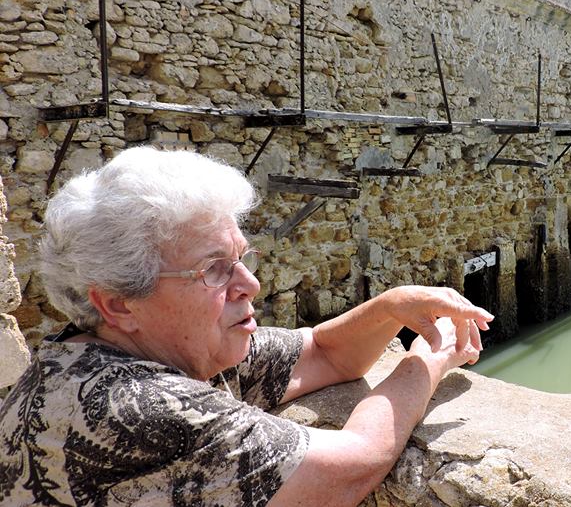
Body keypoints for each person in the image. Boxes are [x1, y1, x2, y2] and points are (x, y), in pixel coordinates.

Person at [0, 146, 493, 506]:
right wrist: (430, 356)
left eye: (241, 257)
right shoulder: (134, 405)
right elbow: (352, 464)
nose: (251, 283)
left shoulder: (142, 348)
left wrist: (391, 306)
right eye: (214, 269)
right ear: (119, 304)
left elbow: (324, 352)